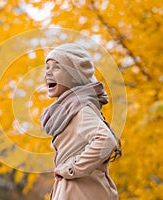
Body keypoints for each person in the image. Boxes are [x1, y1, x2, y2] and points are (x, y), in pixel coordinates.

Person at [40, 43, 121, 200]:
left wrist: (71, 168)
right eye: (47, 67)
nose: (48, 73)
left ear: (74, 76)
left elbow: (105, 140)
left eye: (57, 67)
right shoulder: (72, 108)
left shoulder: (81, 109)